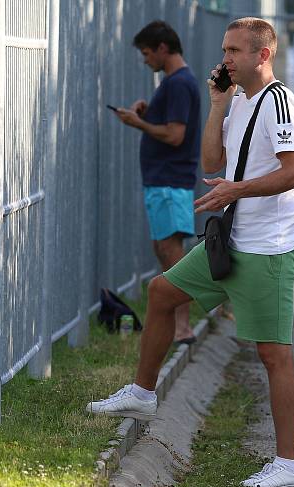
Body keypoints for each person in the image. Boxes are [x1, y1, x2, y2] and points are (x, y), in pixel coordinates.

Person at [88, 17, 294, 487]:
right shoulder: (242, 100)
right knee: (162, 291)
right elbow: (211, 162)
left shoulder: (279, 102)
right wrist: (217, 105)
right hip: (231, 240)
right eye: (226, 50)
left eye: (234, 51)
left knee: (273, 354)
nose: (225, 58)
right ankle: (144, 394)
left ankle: (289, 466)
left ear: (262, 55)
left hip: (267, 248)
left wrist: (239, 188)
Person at [112, 20, 200, 345]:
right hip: (165, 180)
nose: (145, 59)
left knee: (170, 249)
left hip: (170, 179)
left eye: (147, 53)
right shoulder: (176, 83)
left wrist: (138, 123)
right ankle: (177, 324)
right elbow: (172, 123)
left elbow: (175, 135)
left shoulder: (177, 83)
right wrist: (149, 113)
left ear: (163, 48)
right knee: (164, 248)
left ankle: (182, 326)